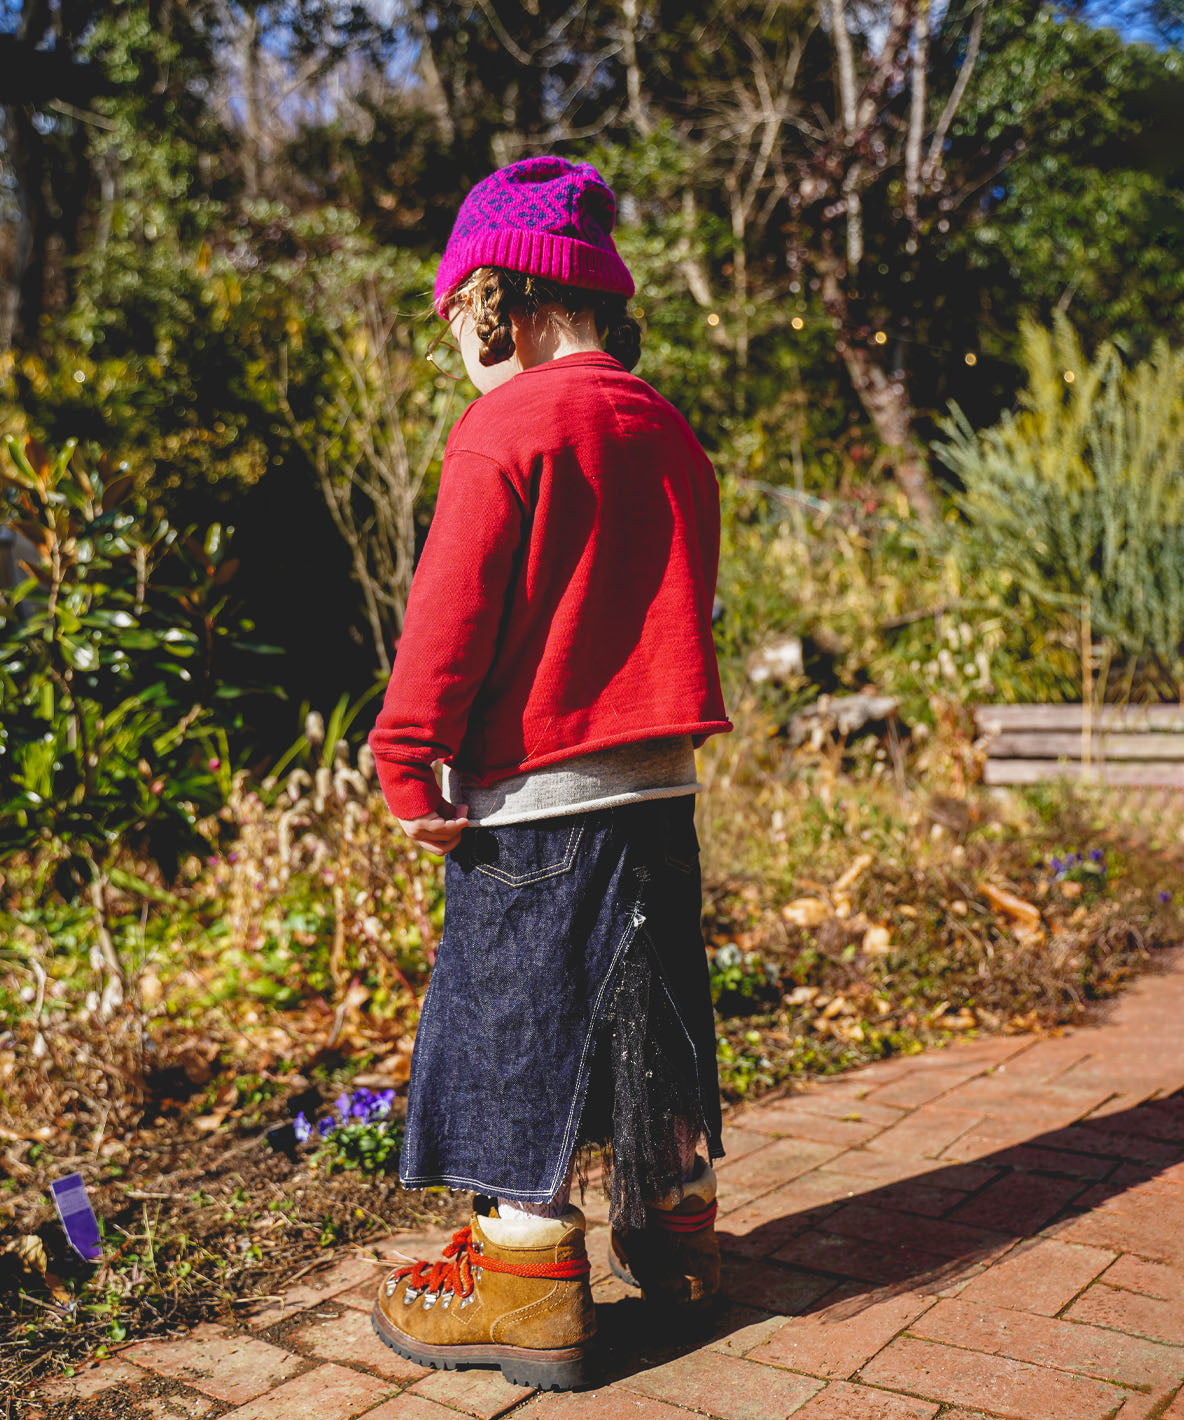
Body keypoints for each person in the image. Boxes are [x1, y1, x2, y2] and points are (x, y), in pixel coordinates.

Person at [366, 154, 732, 1392]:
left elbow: (448, 624)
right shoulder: (665, 425)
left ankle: (521, 1280)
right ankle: (673, 1224)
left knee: (514, 1017)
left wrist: (407, 764)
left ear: (493, 300)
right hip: (658, 787)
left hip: (538, 800)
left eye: (458, 317)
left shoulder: (506, 428)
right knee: (653, 1014)